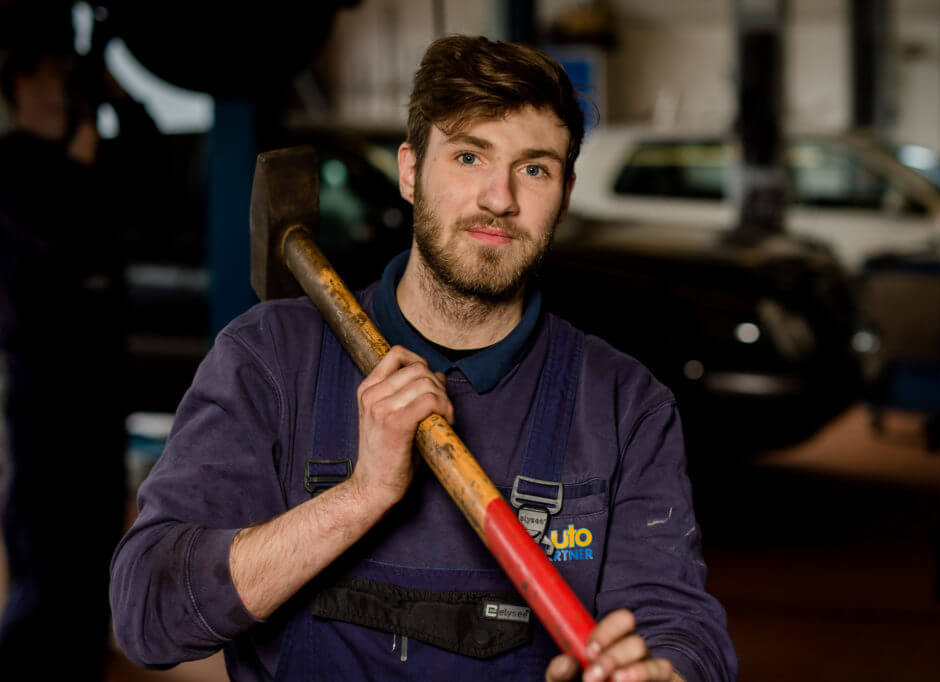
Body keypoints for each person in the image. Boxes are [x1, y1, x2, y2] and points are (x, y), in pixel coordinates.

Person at [110, 35, 738, 682]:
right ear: (410, 172)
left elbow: (681, 628)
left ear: (567, 191)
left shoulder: (622, 403)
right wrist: (361, 496)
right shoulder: (269, 360)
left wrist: (662, 672)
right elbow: (148, 615)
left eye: (534, 169)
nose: (500, 198)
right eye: (469, 156)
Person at [0, 41, 128, 680]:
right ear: (19, 81)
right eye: (51, 67)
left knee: (98, 527)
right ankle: (28, 654)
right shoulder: (11, 163)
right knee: (46, 529)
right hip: (44, 380)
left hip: (98, 377)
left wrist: (114, 90)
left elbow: (157, 161)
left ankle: (79, 654)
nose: (63, 79)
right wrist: (78, 161)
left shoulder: (88, 149)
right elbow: (49, 235)